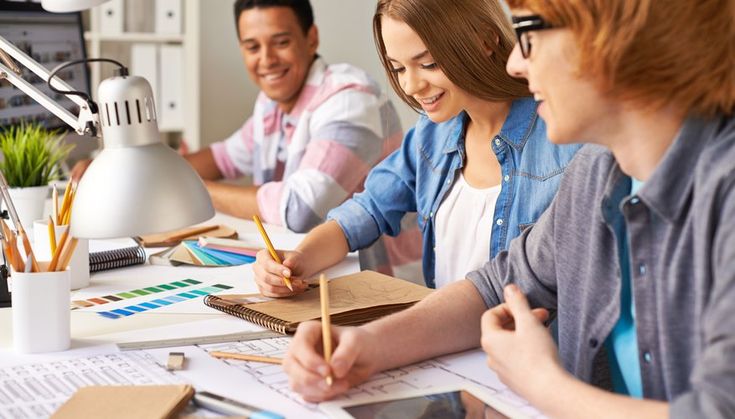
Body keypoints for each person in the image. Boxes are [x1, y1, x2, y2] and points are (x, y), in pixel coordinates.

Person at [281, 0, 735, 417]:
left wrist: (544, 384)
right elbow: (495, 286)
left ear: (614, 40)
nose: (515, 62)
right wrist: (366, 345)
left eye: (530, 35)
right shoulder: (595, 174)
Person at [252, 0, 579, 295]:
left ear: (486, 40)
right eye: (398, 68)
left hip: (521, 353)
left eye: (429, 64)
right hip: (447, 347)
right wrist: (298, 260)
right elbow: (367, 211)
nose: (410, 85)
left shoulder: (564, 142)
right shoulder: (433, 134)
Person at [71, 0, 404, 235]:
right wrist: (122, 173)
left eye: (281, 42)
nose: (267, 60)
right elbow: (220, 158)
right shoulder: (272, 105)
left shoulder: (349, 98)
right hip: (312, 271)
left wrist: (189, 188)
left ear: (311, 37)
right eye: (252, 47)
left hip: (380, 284)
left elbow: (299, 210)